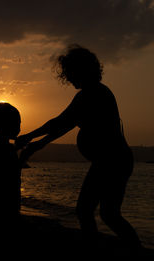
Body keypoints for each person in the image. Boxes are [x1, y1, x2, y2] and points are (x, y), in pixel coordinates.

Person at [16, 44, 141, 249]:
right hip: (115, 160)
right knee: (108, 214)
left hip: (112, 161)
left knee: (89, 211)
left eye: (69, 73)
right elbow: (64, 125)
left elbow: (59, 123)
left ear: (79, 71)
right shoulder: (93, 92)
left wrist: (30, 138)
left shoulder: (92, 94)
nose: (68, 78)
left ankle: (114, 249)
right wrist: (36, 144)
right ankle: (133, 249)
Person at [0, 102, 25, 219]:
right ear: (7, 125)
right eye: (17, 124)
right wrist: (24, 156)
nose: (19, 128)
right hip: (7, 200)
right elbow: (13, 171)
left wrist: (16, 148)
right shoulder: (5, 148)